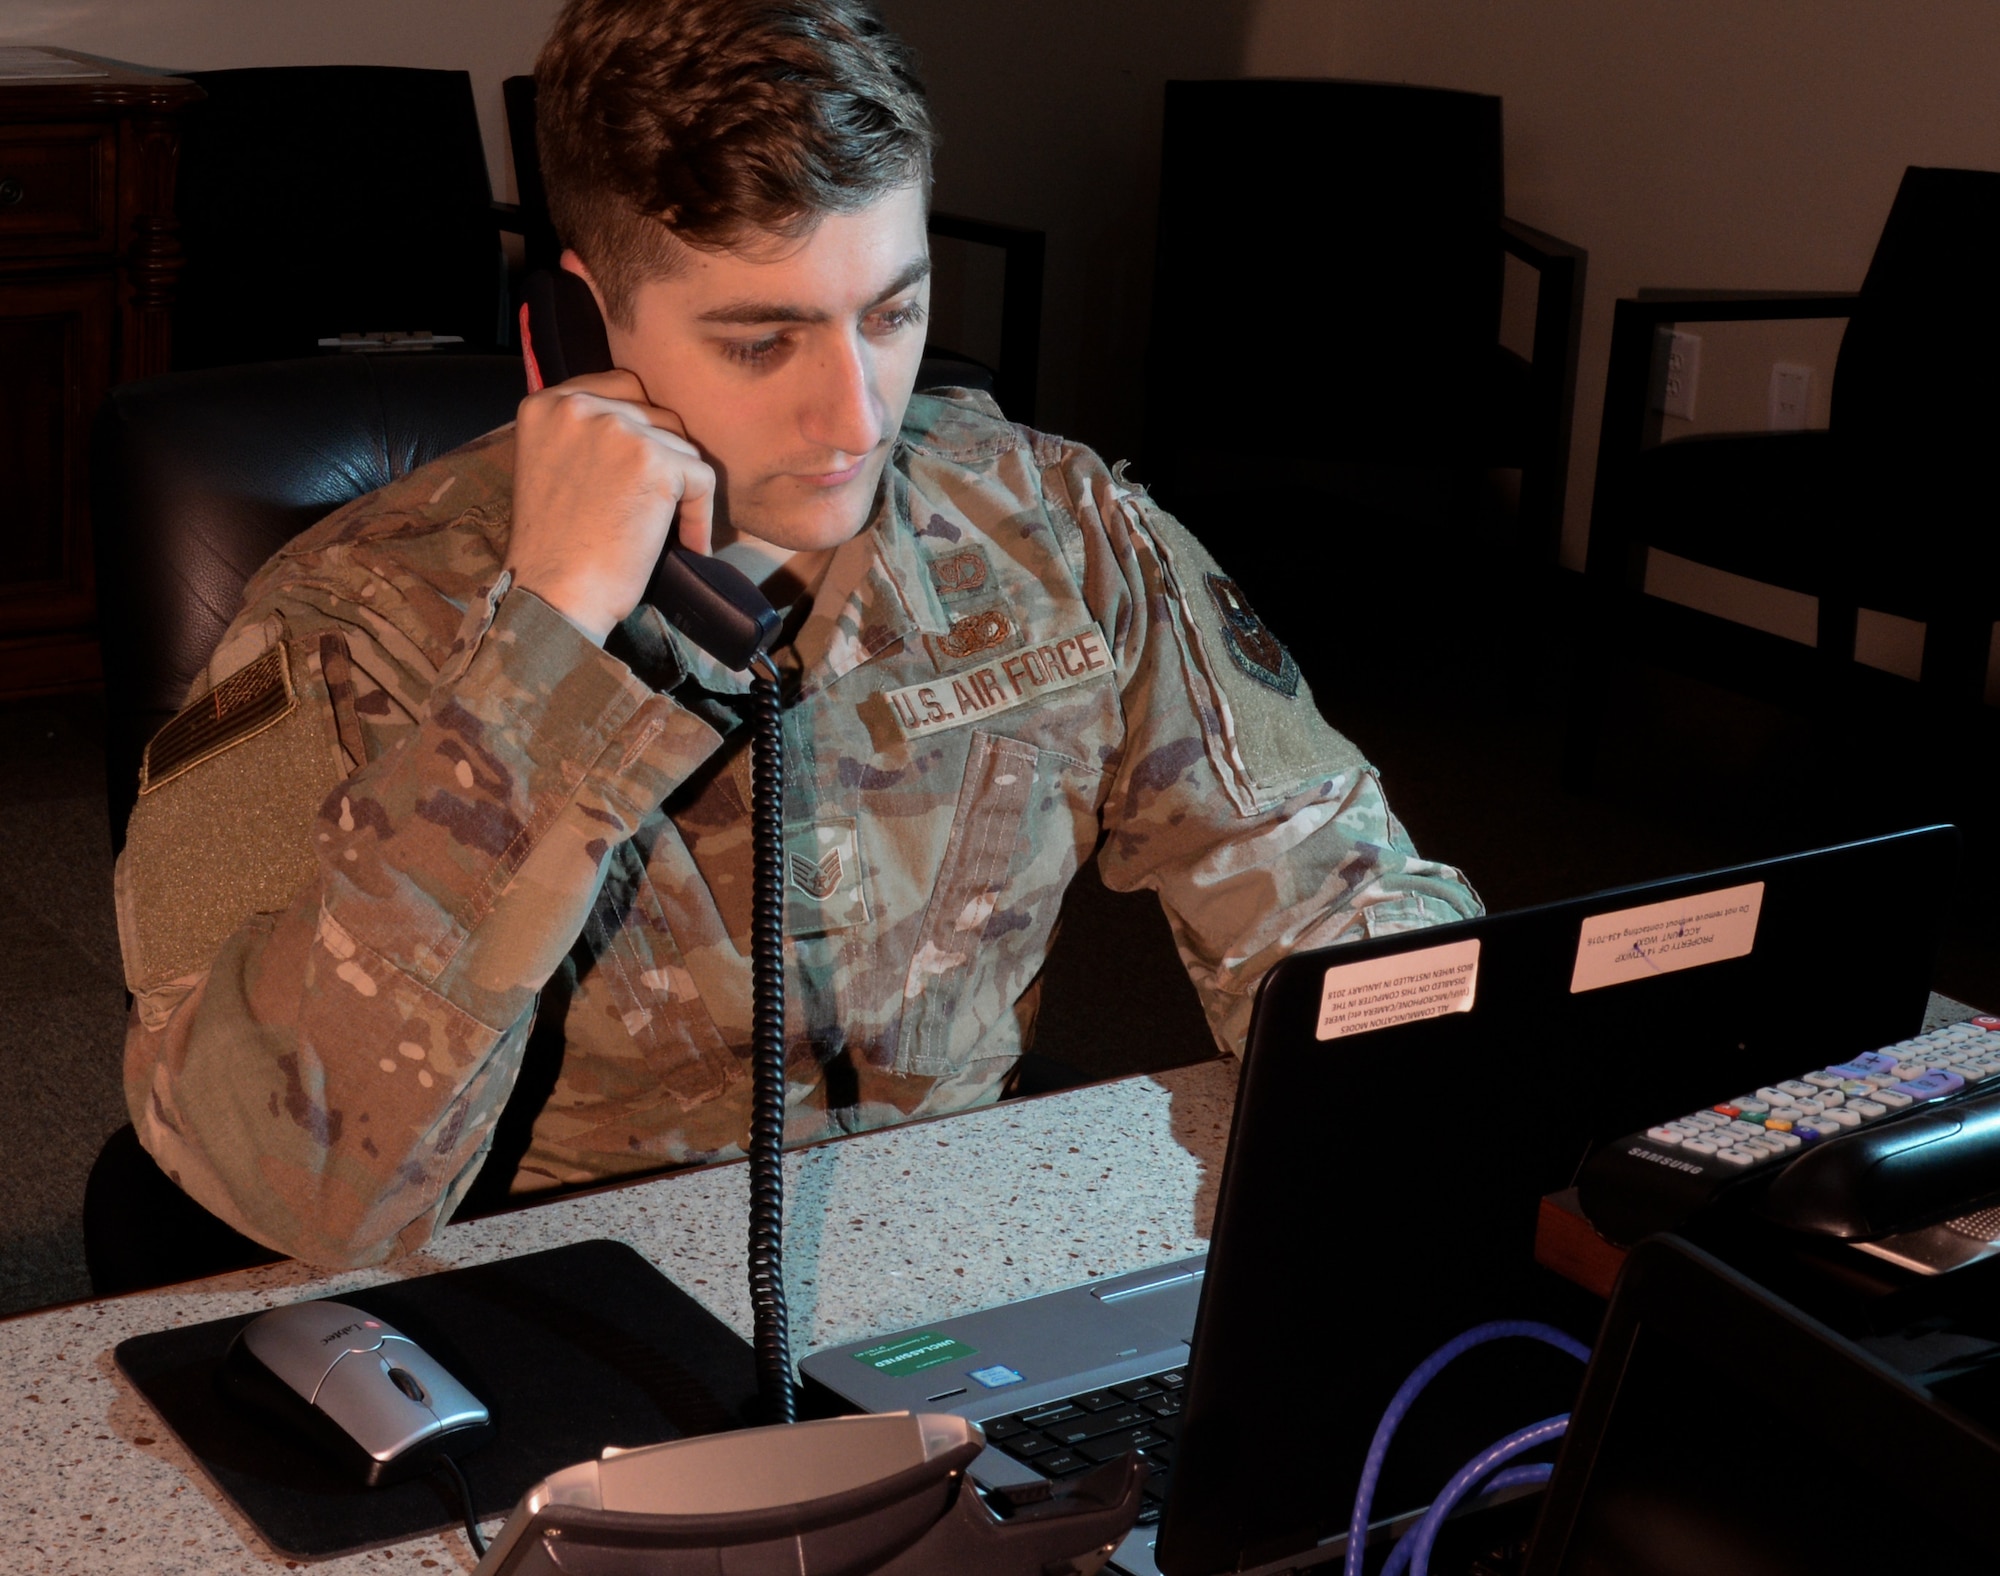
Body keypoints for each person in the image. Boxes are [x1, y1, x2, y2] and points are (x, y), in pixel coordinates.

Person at [110, 0, 1480, 1272]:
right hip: (550, 1305)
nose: (860, 418)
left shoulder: (1056, 526)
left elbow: (1314, 871)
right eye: (763, 344)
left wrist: (1427, 1068)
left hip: (941, 1275)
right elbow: (282, 1184)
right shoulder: (344, 624)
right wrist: (544, 657)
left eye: (893, 314)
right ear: (575, 327)